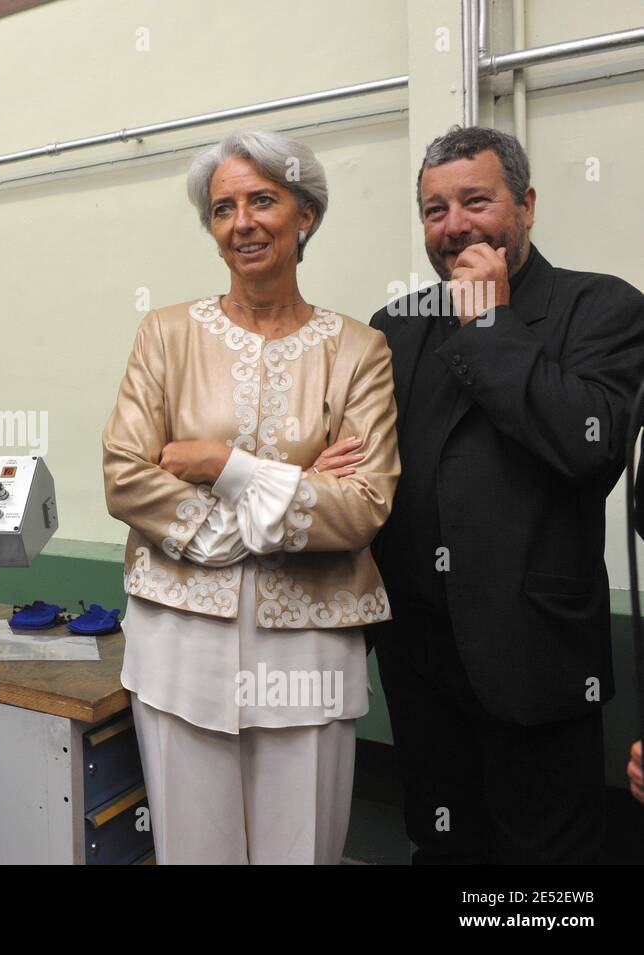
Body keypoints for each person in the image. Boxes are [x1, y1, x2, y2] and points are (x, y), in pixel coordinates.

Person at [102, 129, 400, 864]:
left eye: (263, 200)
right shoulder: (165, 335)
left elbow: (364, 503)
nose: (242, 223)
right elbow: (124, 473)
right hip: (179, 641)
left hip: (310, 645)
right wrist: (293, 487)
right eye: (223, 208)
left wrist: (223, 464)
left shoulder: (360, 351)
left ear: (306, 215)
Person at [368, 125, 644, 864]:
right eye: (434, 209)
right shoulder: (395, 326)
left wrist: (489, 322)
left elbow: (588, 449)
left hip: (539, 663)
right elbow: (374, 472)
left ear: (524, 205)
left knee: (545, 875)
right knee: (443, 848)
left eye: (475, 201)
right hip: (422, 662)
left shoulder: (603, 309)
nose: (454, 225)